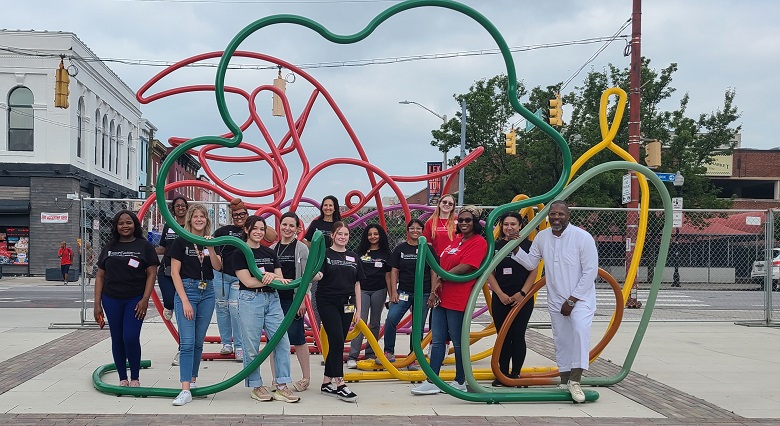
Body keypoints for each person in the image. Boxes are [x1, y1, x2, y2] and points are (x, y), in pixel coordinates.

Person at [510, 200, 598, 403]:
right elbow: (531, 262)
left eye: (560, 214)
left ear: (568, 216)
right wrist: (514, 247)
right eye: (553, 214)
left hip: (580, 298)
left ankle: (576, 380)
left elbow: (590, 272)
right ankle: (565, 378)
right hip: (556, 297)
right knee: (561, 338)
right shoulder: (542, 237)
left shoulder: (582, 237)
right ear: (548, 216)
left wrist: (573, 299)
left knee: (579, 331)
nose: (556, 217)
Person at [412, 206, 487, 395]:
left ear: (475, 223)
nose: (463, 223)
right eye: (460, 220)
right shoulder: (457, 241)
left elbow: (466, 267)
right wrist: (436, 288)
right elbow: (441, 265)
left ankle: (460, 380)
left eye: (467, 220)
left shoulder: (478, 243)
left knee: (458, 340)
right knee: (437, 340)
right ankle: (432, 379)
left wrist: (441, 277)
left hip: (458, 298)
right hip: (441, 296)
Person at [233, 215, 300, 403]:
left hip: (272, 299)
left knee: (282, 341)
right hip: (250, 300)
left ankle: (281, 385)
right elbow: (246, 281)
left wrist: (270, 277)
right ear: (247, 229)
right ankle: (256, 386)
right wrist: (268, 277)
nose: (258, 232)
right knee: (251, 345)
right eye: (255, 228)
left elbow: (281, 278)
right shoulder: (240, 253)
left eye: (262, 229)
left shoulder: (270, 252)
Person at [93, 210, 159, 387]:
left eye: (128, 222)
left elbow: (152, 273)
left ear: (135, 224)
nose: (125, 226)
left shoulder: (144, 246)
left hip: (135, 299)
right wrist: (97, 304)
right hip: (111, 299)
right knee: (117, 338)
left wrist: (145, 299)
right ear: (116, 226)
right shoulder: (110, 247)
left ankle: (135, 377)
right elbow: (100, 276)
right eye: (121, 223)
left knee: (130, 337)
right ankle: (123, 378)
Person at [168, 204, 218, 406]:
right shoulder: (181, 241)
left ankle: (194, 382)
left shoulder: (209, 241)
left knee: (198, 342)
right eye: (195, 216)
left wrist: (212, 247)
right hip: (187, 290)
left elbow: (217, 266)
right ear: (189, 219)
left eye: (202, 216)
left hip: (208, 292)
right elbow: (174, 273)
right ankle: (185, 388)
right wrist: (185, 301)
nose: (199, 219)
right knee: (187, 343)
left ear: (207, 220)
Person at [486, 212, 538, 386]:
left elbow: (533, 271)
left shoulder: (529, 245)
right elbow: (489, 272)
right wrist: (499, 293)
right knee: (503, 335)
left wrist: (522, 293)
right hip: (501, 297)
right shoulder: (495, 245)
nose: (509, 228)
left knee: (517, 334)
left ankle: (515, 373)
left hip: (522, 298)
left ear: (520, 226)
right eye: (506, 224)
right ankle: (502, 373)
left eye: (513, 224)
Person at [382, 218, 439, 371]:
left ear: (422, 231)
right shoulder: (401, 249)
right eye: (412, 228)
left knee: (418, 326)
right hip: (404, 292)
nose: (415, 231)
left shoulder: (428, 249)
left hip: (424, 293)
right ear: (407, 231)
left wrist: (433, 293)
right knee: (391, 319)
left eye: (418, 228)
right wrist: (393, 292)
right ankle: (388, 352)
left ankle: (414, 357)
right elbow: (394, 270)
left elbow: (434, 271)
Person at [316, 221, 362, 402]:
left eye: (346, 234)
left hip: (348, 303)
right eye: (339, 234)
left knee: (338, 341)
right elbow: (318, 274)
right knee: (336, 339)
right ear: (332, 235)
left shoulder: (353, 257)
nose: (343, 237)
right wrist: (313, 274)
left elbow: (357, 283)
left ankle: (326, 382)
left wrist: (358, 309)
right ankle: (340, 383)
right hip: (327, 301)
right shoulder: (324, 254)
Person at [269, 212, 312, 392]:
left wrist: (301, 299)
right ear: (279, 226)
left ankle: (306, 378)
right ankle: (276, 378)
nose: (287, 228)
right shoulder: (272, 248)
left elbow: (307, 276)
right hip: (274, 300)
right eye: (284, 224)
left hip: (293, 300)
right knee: (274, 340)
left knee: (298, 339)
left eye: (291, 226)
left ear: (297, 229)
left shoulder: (301, 249)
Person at [346, 224, 391, 368]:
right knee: (360, 322)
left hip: (379, 290)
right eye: (370, 234)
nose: (373, 237)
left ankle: (370, 353)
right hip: (362, 291)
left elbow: (389, 276)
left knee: (375, 323)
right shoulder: (359, 253)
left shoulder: (386, 254)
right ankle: (353, 355)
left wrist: (390, 295)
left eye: (376, 234)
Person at [211, 198, 248, 362]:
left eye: (242, 214)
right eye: (235, 215)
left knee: (235, 309)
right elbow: (213, 246)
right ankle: (227, 343)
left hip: (239, 276)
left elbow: (271, 235)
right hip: (221, 275)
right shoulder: (222, 231)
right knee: (221, 309)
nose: (239, 217)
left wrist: (251, 221)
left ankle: (239, 345)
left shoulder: (250, 230)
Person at [156, 197, 188, 367]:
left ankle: (183, 350)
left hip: (184, 274)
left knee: (183, 314)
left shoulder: (190, 227)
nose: (180, 208)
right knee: (169, 301)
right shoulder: (169, 226)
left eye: (183, 206)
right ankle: (169, 306)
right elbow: (162, 247)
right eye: (177, 206)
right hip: (166, 270)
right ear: (173, 209)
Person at [303, 195, 341, 329]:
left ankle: (330, 329)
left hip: (334, 264)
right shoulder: (316, 224)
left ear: (335, 207)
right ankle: (317, 331)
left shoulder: (338, 225)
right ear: (322, 207)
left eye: (331, 205)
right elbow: (307, 241)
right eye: (325, 205)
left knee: (333, 296)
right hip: (317, 264)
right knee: (316, 296)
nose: (328, 208)